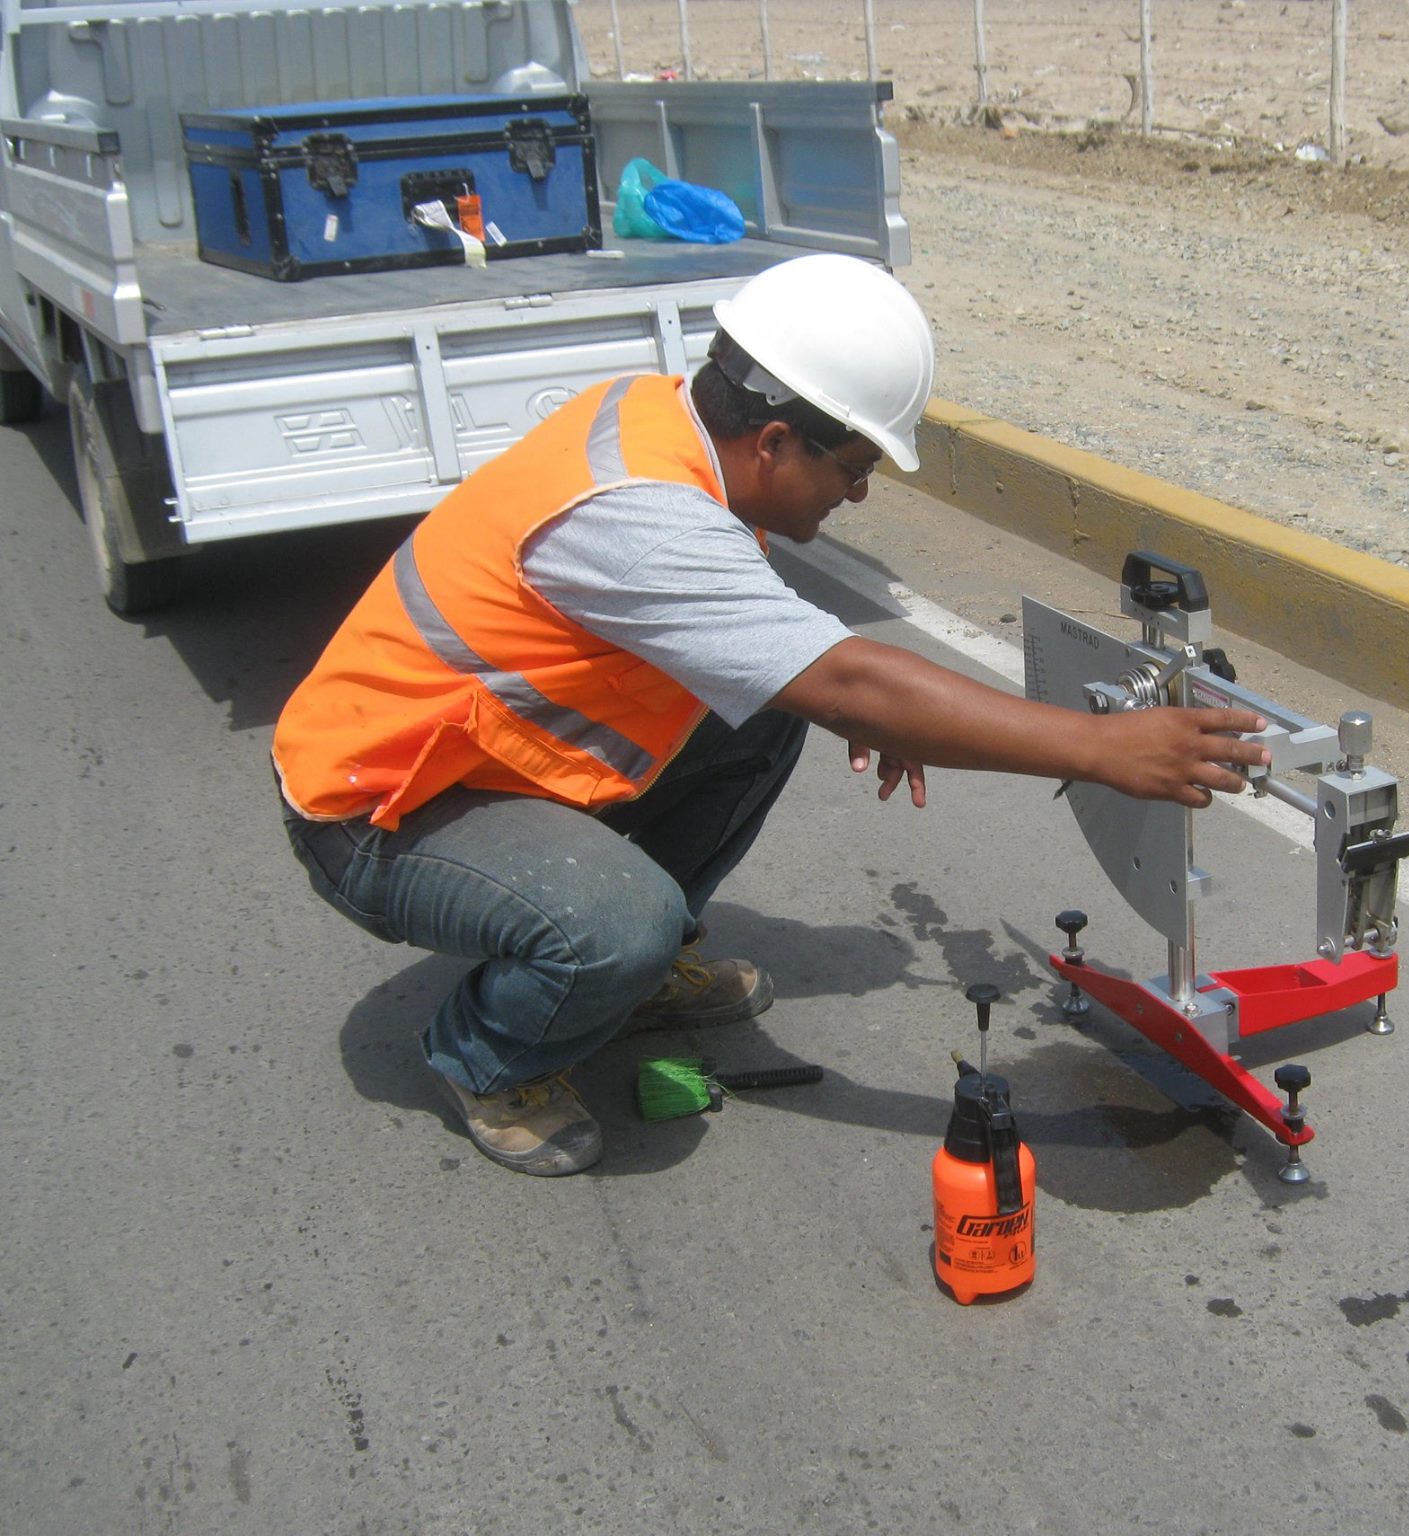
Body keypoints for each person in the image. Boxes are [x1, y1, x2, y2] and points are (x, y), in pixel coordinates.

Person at [274, 253, 1268, 1177]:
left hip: (475, 759)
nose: (861, 493)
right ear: (775, 440)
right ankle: (488, 1056)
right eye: (851, 466)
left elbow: (796, 662)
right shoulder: (635, 518)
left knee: (763, 717)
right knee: (621, 922)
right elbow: (845, 678)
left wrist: (879, 711)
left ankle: (629, 975)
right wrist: (1098, 747)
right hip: (377, 807)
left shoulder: (656, 420)